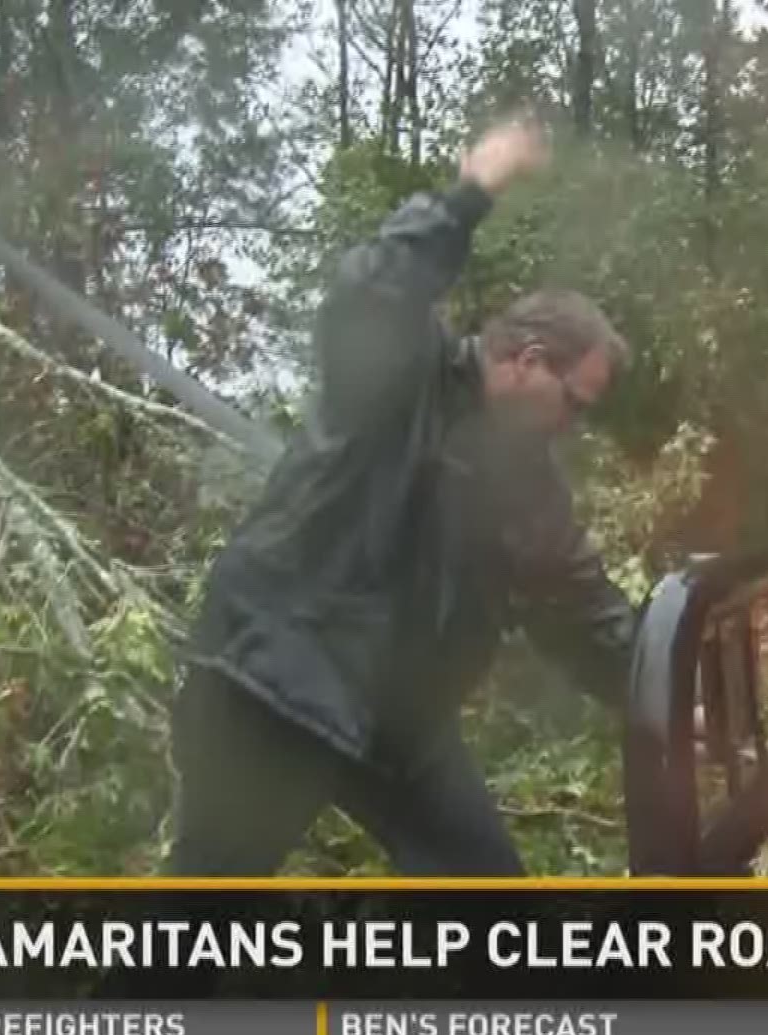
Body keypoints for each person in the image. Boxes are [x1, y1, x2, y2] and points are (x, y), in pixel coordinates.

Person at [164, 116, 638, 878]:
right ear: (528, 360)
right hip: (282, 683)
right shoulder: (400, 377)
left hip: (399, 717)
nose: (573, 423)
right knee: (197, 926)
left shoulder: (526, 476)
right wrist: (470, 192)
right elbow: (371, 288)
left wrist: (672, 694)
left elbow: (579, 599)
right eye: (573, 402)